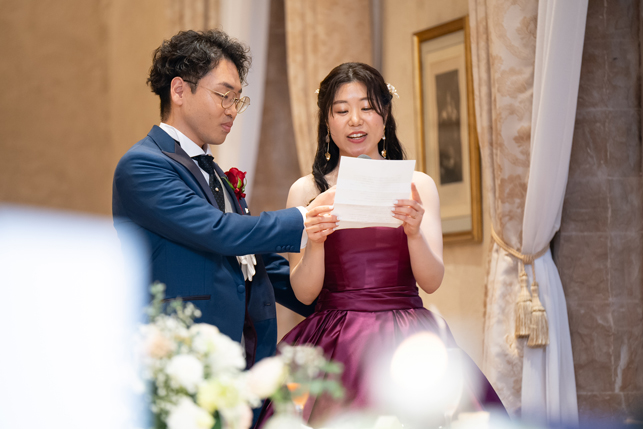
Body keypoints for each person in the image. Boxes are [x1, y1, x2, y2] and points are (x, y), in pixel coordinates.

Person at [256, 62, 505, 426]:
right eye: (342, 111)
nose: (355, 120)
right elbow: (304, 293)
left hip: (408, 333)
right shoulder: (307, 190)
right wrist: (317, 241)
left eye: (367, 108)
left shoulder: (418, 184)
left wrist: (414, 233)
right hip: (333, 338)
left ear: (385, 115)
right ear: (327, 121)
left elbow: (432, 281)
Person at [112, 30, 337, 372]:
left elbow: (256, 260)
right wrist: (303, 219)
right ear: (179, 90)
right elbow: (219, 231)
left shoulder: (214, 172)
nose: (232, 110)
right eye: (224, 95)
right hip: (182, 358)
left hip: (244, 356)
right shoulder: (143, 165)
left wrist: (341, 302)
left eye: (237, 100)